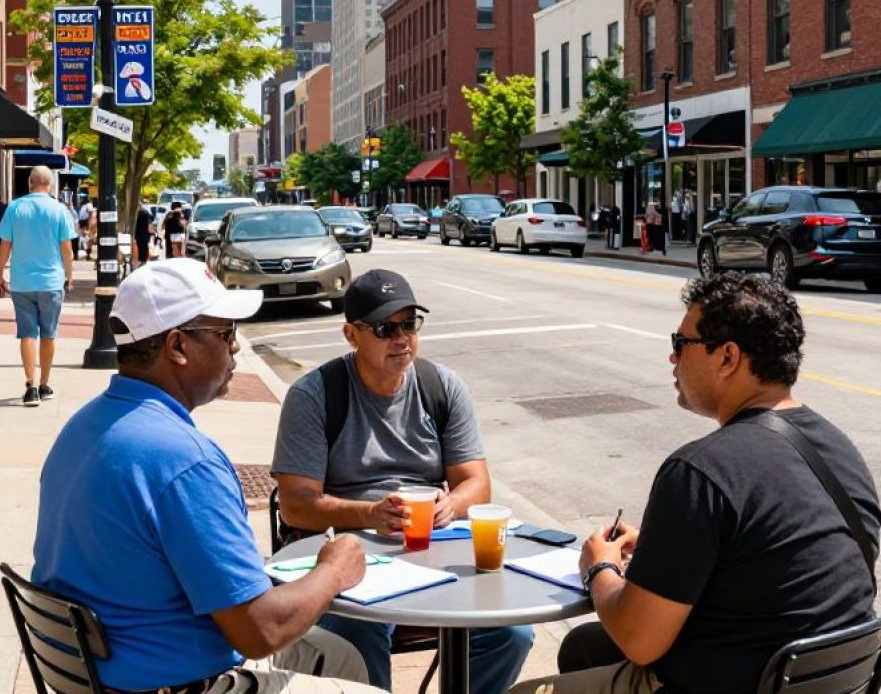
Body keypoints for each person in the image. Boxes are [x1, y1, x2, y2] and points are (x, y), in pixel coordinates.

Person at [510, 273, 881, 694]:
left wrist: (599, 567)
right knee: (587, 645)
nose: (672, 358)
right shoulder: (838, 447)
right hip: (832, 680)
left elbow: (640, 640)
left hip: (734, 682)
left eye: (681, 343)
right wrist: (661, 543)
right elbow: (781, 553)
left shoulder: (700, 470)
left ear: (727, 358)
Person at [32, 258, 382, 694]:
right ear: (177, 346)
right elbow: (261, 633)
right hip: (177, 680)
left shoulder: (85, 425)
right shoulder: (185, 460)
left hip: (98, 671)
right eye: (225, 333)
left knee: (338, 653)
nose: (235, 348)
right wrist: (335, 570)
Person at [273, 268, 534, 694]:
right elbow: (296, 504)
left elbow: (476, 483)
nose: (401, 338)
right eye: (384, 327)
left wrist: (451, 505)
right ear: (351, 335)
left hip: (431, 550)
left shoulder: (440, 386)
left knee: (512, 633)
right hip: (348, 554)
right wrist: (370, 514)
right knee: (357, 633)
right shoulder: (315, 395)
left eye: (409, 324)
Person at [0, 166, 76, 407]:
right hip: (51, 281)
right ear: (50, 185)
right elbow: (67, 249)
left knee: (27, 333)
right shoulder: (60, 210)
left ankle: (30, 386)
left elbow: (4, 247)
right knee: (49, 333)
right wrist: (68, 275)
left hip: (22, 282)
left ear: (30, 183)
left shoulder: (15, 207)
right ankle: (45, 383)